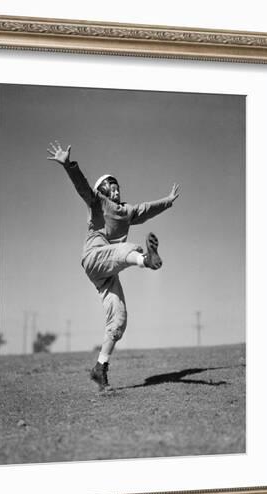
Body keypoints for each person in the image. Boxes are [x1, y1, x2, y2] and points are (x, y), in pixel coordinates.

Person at [47, 141, 180, 392]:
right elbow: (82, 187)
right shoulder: (97, 202)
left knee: (118, 319)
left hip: (108, 271)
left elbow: (148, 209)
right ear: (104, 189)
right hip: (95, 257)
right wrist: (68, 165)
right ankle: (145, 260)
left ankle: (100, 368)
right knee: (128, 249)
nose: (116, 189)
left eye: (118, 186)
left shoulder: (127, 211)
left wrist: (168, 201)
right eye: (112, 186)